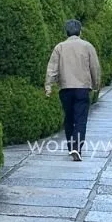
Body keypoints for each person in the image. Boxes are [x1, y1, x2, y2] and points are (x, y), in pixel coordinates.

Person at [45, 19, 102, 161]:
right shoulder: (88, 46)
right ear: (80, 31)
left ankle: (71, 147)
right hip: (83, 88)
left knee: (69, 118)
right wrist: (96, 85)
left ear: (66, 32)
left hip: (65, 88)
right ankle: (77, 147)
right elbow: (95, 67)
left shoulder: (60, 47)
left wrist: (48, 85)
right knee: (81, 119)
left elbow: (52, 68)